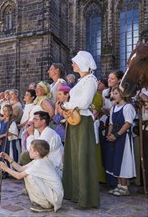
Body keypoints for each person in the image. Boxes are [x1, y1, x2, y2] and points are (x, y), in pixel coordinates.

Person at [61, 51, 99, 209]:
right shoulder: (82, 80)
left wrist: (66, 105)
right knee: (74, 157)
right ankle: (75, 194)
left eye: (74, 62)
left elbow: (84, 102)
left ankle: (86, 199)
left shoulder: (90, 80)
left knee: (83, 158)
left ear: (83, 63)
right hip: (75, 120)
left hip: (83, 120)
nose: (72, 65)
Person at [0, 140, 63, 213]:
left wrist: (6, 168)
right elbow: (21, 169)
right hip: (55, 195)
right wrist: (8, 158)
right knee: (27, 174)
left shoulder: (39, 164)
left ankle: (45, 204)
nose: (28, 151)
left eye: (30, 149)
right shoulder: (39, 160)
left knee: (29, 176)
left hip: (55, 197)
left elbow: (19, 176)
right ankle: (43, 201)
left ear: (36, 153)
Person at [106, 87, 136, 196]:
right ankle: (119, 185)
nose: (114, 95)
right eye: (113, 93)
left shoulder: (127, 107)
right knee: (116, 160)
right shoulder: (114, 108)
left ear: (122, 94)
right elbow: (111, 123)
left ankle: (124, 187)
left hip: (123, 138)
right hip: (114, 137)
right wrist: (109, 134)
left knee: (123, 161)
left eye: (116, 93)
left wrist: (117, 135)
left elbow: (127, 123)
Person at [21, 111, 64, 177]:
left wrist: (31, 135)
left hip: (54, 167)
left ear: (43, 121)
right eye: (33, 119)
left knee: (25, 156)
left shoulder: (48, 133)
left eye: (35, 119)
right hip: (47, 163)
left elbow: (33, 151)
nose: (33, 121)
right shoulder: (39, 132)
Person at [0, 104, 20, 178]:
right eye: (4, 111)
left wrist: (1, 136)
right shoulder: (2, 122)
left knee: (7, 155)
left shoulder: (12, 122)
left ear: (10, 112)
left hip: (8, 142)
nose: (5, 112)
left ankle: (6, 172)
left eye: (6, 111)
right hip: (1, 142)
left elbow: (13, 132)